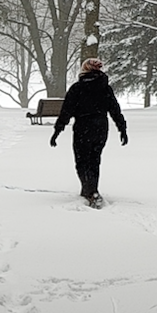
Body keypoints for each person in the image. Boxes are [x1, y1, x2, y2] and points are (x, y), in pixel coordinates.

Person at [51, 58, 127, 208]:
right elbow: (115, 109)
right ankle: (91, 189)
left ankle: (90, 191)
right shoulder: (105, 88)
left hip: (83, 127)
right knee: (94, 159)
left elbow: (66, 111)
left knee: (82, 160)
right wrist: (122, 128)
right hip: (101, 127)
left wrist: (57, 130)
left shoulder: (77, 88)